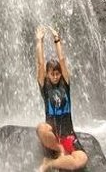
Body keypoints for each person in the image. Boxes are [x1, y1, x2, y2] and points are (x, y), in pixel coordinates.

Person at [35, 25, 88, 171]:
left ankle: (50, 163)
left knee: (81, 160)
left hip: (68, 134)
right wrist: (39, 41)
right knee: (42, 128)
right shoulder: (45, 86)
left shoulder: (65, 84)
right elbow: (40, 64)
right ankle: (59, 149)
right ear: (47, 75)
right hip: (52, 136)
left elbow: (62, 60)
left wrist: (57, 40)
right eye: (52, 74)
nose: (56, 76)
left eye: (57, 73)